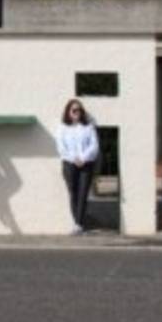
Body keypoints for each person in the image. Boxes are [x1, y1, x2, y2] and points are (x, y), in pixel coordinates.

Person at [57, 98, 100, 235]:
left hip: (86, 164)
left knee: (83, 194)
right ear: (68, 112)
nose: (77, 112)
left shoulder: (89, 127)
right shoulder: (63, 128)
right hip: (69, 164)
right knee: (73, 192)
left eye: (79, 110)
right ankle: (78, 223)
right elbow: (61, 147)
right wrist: (74, 159)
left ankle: (78, 224)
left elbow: (94, 146)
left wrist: (83, 158)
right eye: (74, 110)